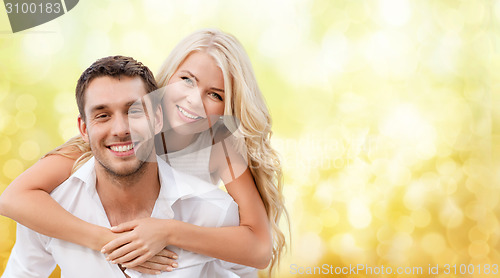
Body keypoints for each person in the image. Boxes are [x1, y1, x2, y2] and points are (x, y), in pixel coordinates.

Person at [0, 29, 288, 276]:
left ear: (227, 108)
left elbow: (259, 249)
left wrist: (168, 232)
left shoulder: (220, 147)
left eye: (215, 95)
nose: (193, 100)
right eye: (186, 80)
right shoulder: (110, 138)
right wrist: (110, 241)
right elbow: (13, 199)